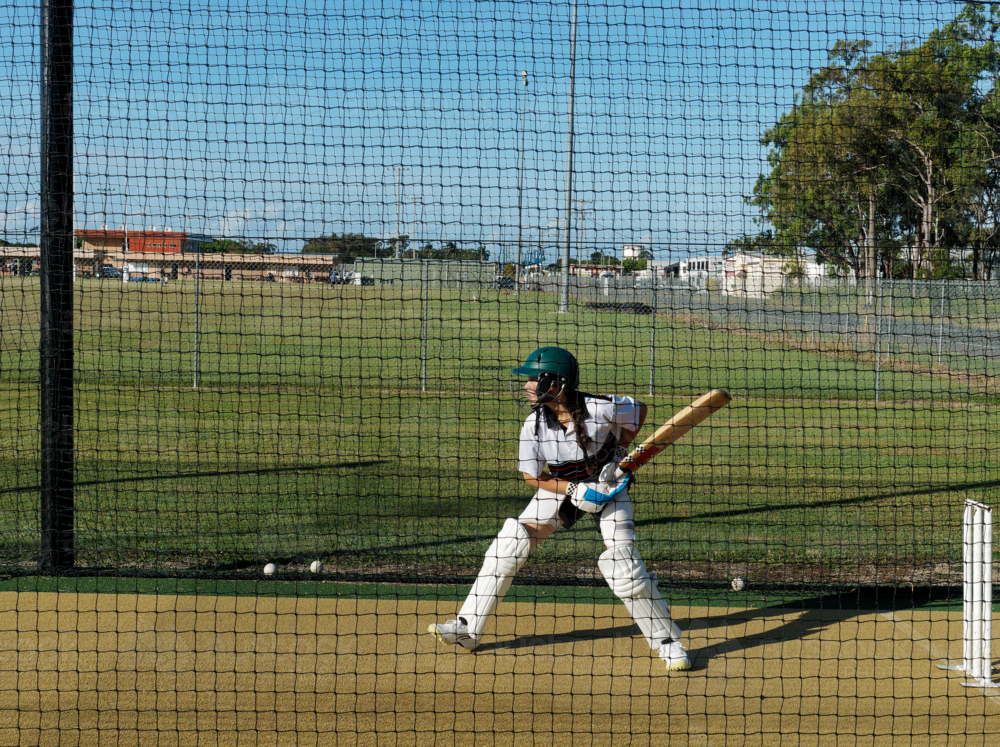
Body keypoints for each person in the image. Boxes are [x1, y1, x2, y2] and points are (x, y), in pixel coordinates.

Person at [429, 346, 691, 671]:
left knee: (625, 565)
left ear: (558, 384)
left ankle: (668, 644)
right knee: (509, 545)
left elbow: (638, 412)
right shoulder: (534, 425)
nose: (525, 385)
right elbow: (532, 475)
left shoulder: (600, 408)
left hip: (608, 486)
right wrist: (572, 489)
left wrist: (619, 455)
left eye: (532, 379)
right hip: (562, 486)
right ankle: (467, 628)